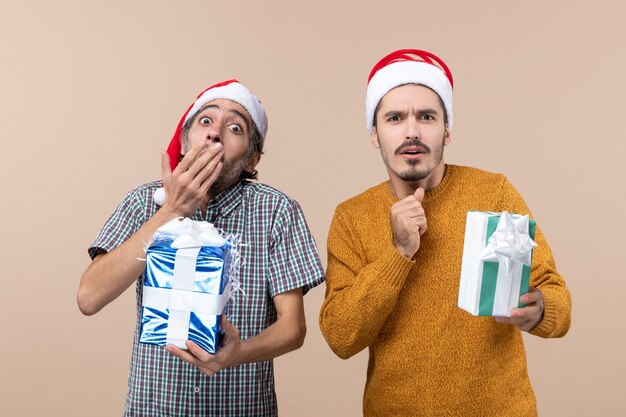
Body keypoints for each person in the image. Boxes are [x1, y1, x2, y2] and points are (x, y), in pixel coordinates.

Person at [319, 49, 571, 416]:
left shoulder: (492, 193)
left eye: (426, 116)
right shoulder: (351, 217)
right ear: (375, 134)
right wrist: (399, 253)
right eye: (394, 118)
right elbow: (340, 337)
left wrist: (542, 310)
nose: (411, 131)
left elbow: (557, 301)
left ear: (447, 129)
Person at [78, 79, 324, 417]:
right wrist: (170, 213)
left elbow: (294, 328)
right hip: (154, 408)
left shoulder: (278, 212)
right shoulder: (143, 203)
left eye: (234, 127)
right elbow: (89, 297)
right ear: (184, 139)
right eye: (205, 121)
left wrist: (239, 352)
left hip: (243, 408)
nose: (215, 133)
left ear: (252, 159)